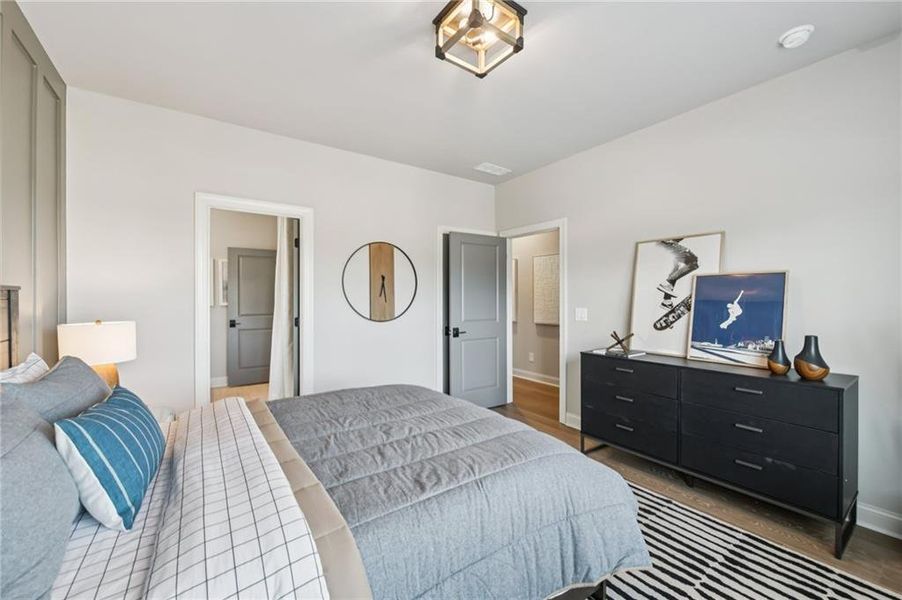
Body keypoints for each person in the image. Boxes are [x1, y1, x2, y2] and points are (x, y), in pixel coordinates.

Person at [656, 239, 699, 309]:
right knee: (694, 262)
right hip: (667, 243)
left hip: (665, 245)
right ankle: (666, 284)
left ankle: (667, 301)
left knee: (676, 265)